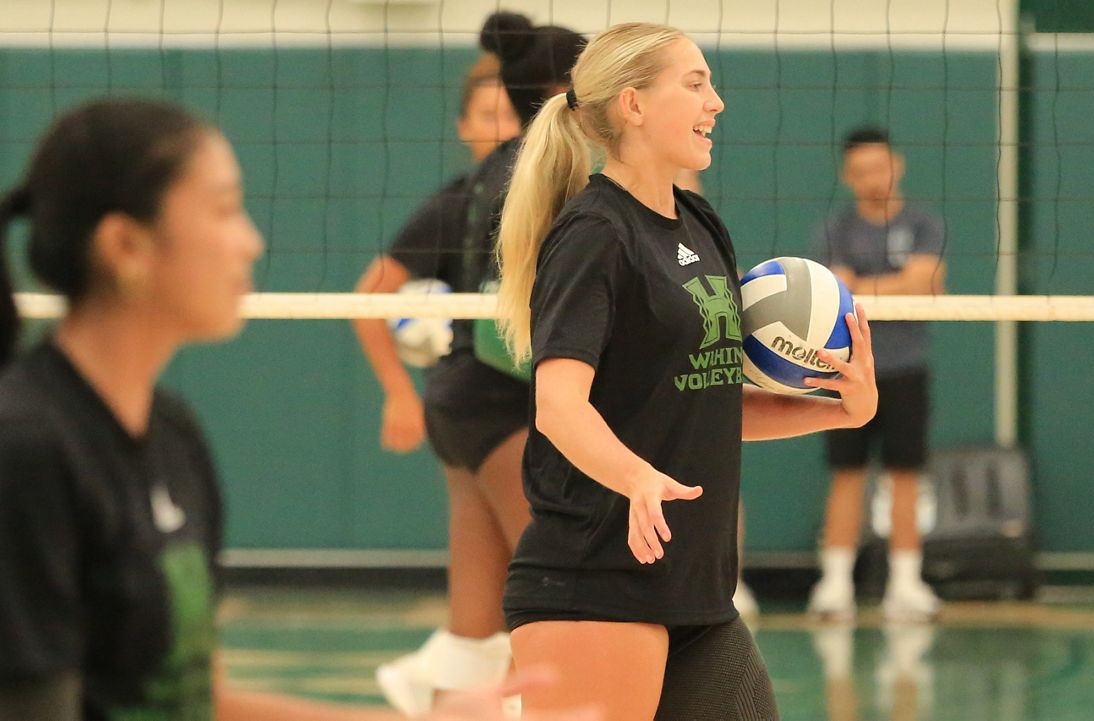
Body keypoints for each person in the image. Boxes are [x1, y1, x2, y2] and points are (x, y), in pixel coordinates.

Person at [0, 97, 594, 721]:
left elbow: (197, 701)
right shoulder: (28, 451)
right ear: (125, 245)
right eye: (226, 210)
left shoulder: (172, 434)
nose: (251, 241)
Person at [494, 22, 880, 719]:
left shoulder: (699, 222)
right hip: (596, 578)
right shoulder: (594, 234)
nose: (717, 102)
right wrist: (636, 474)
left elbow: (708, 404)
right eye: (696, 84)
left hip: (693, 588)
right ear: (634, 105)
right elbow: (559, 403)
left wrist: (838, 409)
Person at [353, 12, 585, 716]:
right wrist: (396, 392)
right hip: (496, 401)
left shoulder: (490, 177)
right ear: (560, 91)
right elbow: (371, 295)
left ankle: (452, 702)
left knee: (477, 621)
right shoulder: (537, 175)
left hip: (463, 404)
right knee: (560, 594)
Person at [807, 126, 947, 623]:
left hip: (906, 367)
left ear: (898, 164)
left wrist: (866, 288)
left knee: (905, 477)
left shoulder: (925, 223)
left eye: (881, 166)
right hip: (848, 370)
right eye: (863, 171)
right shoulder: (834, 229)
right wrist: (896, 286)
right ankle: (835, 586)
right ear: (848, 176)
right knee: (846, 476)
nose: (875, 179)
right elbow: (837, 293)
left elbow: (927, 286)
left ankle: (906, 586)